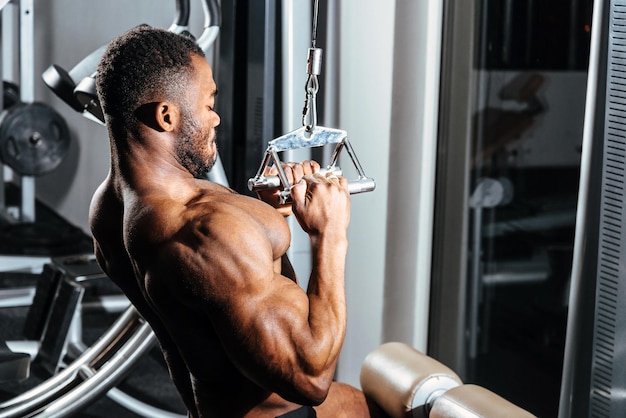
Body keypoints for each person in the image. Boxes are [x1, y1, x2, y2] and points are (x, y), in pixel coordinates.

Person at [90, 26, 379, 418]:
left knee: (376, 403)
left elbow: (207, 323)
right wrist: (330, 234)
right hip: (286, 413)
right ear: (166, 115)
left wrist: (273, 215)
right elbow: (310, 379)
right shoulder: (206, 231)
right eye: (208, 103)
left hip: (215, 410)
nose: (217, 118)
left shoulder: (109, 210)